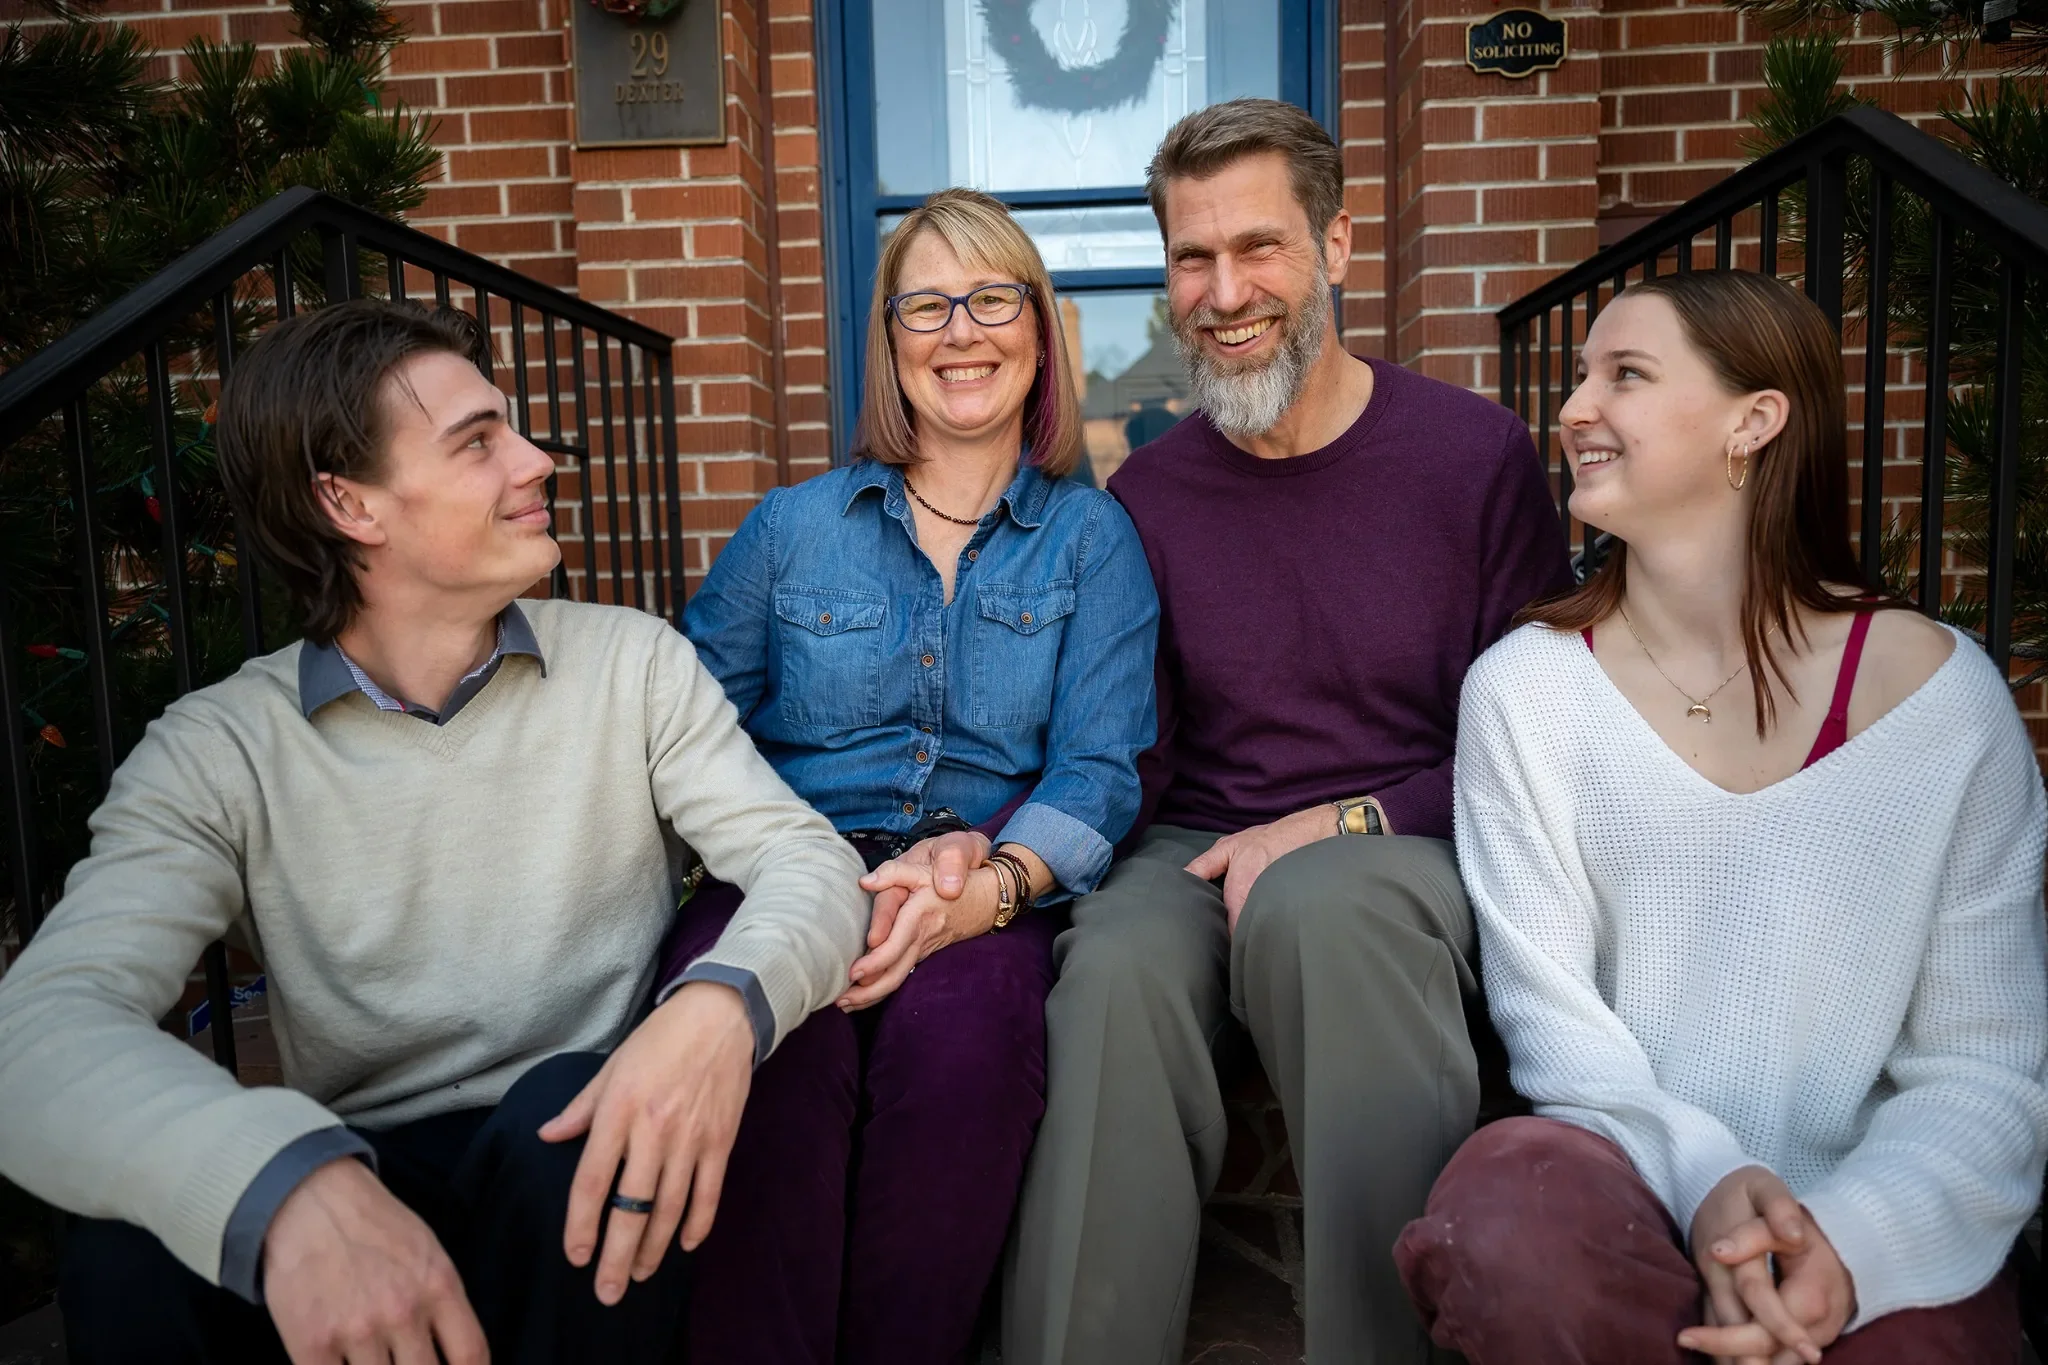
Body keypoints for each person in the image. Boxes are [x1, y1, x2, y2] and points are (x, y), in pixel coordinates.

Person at [0, 300, 871, 1365]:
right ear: (348, 500)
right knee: (132, 1238)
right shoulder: (219, 749)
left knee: (576, 1121)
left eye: (513, 427)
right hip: (360, 1176)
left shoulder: (631, 665)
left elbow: (807, 861)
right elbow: (37, 1036)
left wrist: (716, 1007)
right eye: (477, 442)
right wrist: (282, 1182)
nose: (537, 461)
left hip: (575, 1174)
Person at [903, 98, 1572, 1363]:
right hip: (1195, 838)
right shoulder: (1148, 491)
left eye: (1256, 248)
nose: (1221, 292)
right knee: (1111, 972)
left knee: (1325, 911)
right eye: (1190, 258)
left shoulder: (1471, 457)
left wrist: (1346, 823)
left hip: (1398, 835)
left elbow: (1538, 739)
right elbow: (1128, 746)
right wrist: (987, 849)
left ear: (1335, 244)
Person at [1396, 270, 2048, 1363]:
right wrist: (1706, 1184)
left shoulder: (1942, 703)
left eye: (1626, 376)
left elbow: (1981, 1070)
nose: (1571, 409)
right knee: (1504, 1212)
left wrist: (1842, 1242)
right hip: (1627, 1194)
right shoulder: (1525, 691)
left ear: (1753, 421)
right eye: (1579, 375)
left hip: (1865, 1213)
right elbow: (1555, 1032)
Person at [668, 187, 1159, 1365]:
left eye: (991, 299)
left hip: (980, 886)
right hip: (783, 867)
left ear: (1037, 331)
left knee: (966, 1051)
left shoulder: (1092, 541)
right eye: (925, 305)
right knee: (769, 1047)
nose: (960, 331)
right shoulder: (790, 529)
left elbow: (1100, 767)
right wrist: (789, 863)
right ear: (888, 342)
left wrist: (987, 884)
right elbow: (681, 728)